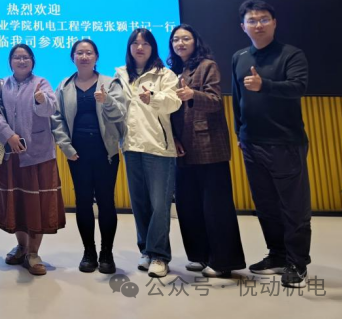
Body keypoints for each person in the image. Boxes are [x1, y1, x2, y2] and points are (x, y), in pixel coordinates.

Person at [232, 0, 310, 288]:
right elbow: (237, 99)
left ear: (274, 23)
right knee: (265, 206)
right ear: (243, 27)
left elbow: (298, 87)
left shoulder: (291, 54)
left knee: (294, 207)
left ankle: (297, 262)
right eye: (252, 21)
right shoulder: (240, 57)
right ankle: (277, 254)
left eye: (264, 19)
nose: (258, 25)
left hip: (285, 143)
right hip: (251, 143)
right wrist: (239, 133)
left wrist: (265, 85)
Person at [168, 24, 245, 277]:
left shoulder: (207, 66)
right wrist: (174, 139)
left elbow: (215, 101)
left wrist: (192, 93)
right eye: (176, 39)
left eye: (185, 39)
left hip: (209, 145)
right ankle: (200, 256)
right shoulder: (173, 72)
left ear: (195, 42)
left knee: (216, 207)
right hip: (183, 147)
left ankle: (223, 261)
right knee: (188, 205)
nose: (180, 43)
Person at [0, 44, 64, 276]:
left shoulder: (42, 83)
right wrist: (8, 136)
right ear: (10, 61)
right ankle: (21, 247)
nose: (21, 61)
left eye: (26, 57)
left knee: (37, 204)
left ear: (33, 61)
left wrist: (40, 100)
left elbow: (50, 108)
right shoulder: (0, 85)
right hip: (11, 154)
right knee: (17, 202)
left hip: (38, 154)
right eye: (17, 57)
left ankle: (33, 253)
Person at [51, 39, 124, 274]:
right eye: (79, 53)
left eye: (89, 52)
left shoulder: (110, 83)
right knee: (82, 202)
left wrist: (107, 100)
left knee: (106, 201)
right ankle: (89, 252)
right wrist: (66, 148)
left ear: (96, 57)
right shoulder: (64, 86)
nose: (84, 57)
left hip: (105, 152)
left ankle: (107, 254)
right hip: (77, 154)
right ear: (73, 57)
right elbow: (56, 119)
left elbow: (121, 114)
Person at [113, 28, 181, 278]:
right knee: (140, 203)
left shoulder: (165, 74)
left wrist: (152, 97)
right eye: (135, 43)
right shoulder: (121, 75)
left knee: (160, 205)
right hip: (131, 147)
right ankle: (146, 251)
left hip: (158, 147)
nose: (139, 47)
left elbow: (174, 102)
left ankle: (160, 255)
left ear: (153, 47)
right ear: (129, 48)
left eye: (145, 43)